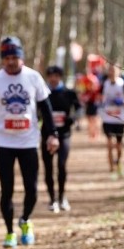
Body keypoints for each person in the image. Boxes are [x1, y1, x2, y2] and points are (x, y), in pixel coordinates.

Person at [0, 36, 60, 249]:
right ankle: (9, 232)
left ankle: (25, 220)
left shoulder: (33, 77)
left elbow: (46, 109)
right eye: (8, 58)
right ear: (2, 60)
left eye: (15, 57)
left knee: (31, 189)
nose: (12, 61)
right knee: (7, 189)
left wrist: (52, 134)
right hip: (4, 142)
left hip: (29, 142)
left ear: (22, 58)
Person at [42, 65, 81, 212]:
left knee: (61, 165)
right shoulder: (43, 93)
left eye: (56, 76)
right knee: (48, 167)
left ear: (60, 77)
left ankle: (62, 197)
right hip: (46, 135)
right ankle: (52, 199)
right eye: (51, 76)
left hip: (64, 134)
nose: (53, 79)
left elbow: (79, 108)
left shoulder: (68, 93)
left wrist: (72, 119)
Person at [99, 63, 124, 179]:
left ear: (118, 72)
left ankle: (118, 162)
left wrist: (122, 102)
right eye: (110, 70)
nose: (112, 72)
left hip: (119, 119)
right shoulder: (104, 84)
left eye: (114, 70)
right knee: (109, 144)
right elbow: (99, 98)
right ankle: (111, 168)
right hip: (108, 118)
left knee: (118, 145)